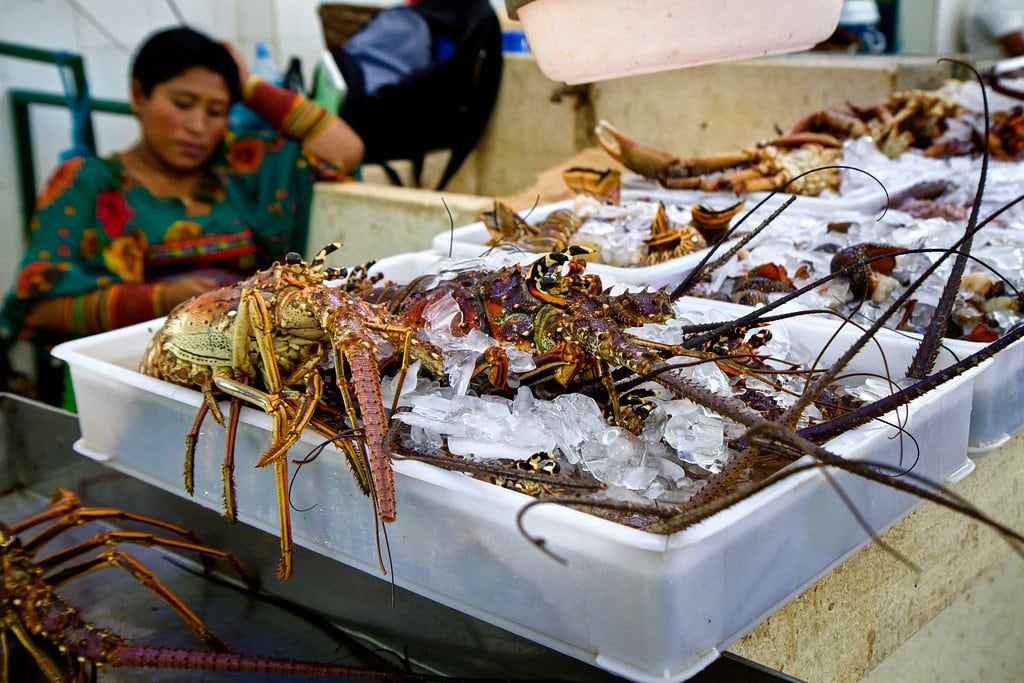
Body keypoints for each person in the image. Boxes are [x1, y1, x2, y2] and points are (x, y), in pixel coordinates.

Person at [0, 26, 363, 349]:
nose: (197, 126)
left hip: (248, 357)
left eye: (216, 111)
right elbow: (36, 308)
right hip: (127, 371)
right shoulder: (86, 184)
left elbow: (344, 149)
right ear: (139, 95)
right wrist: (163, 299)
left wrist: (251, 87)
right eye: (183, 104)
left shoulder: (239, 166)